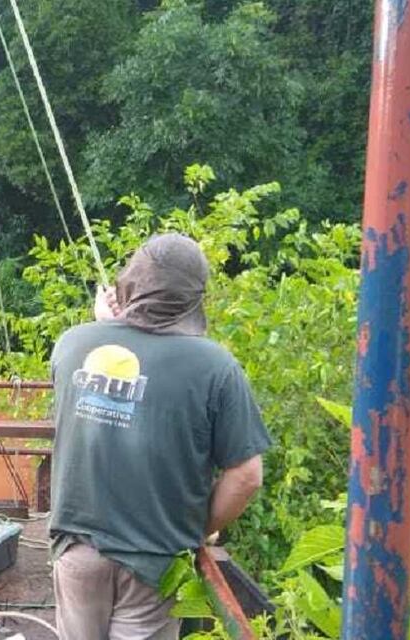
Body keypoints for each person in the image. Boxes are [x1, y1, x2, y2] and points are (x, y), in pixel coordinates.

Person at [48, 234, 271, 639]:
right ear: (193, 298)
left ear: (130, 283)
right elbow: (247, 475)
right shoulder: (217, 366)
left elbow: (113, 380)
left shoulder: (71, 343)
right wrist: (195, 528)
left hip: (77, 550)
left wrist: (107, 326)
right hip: (155, 562)